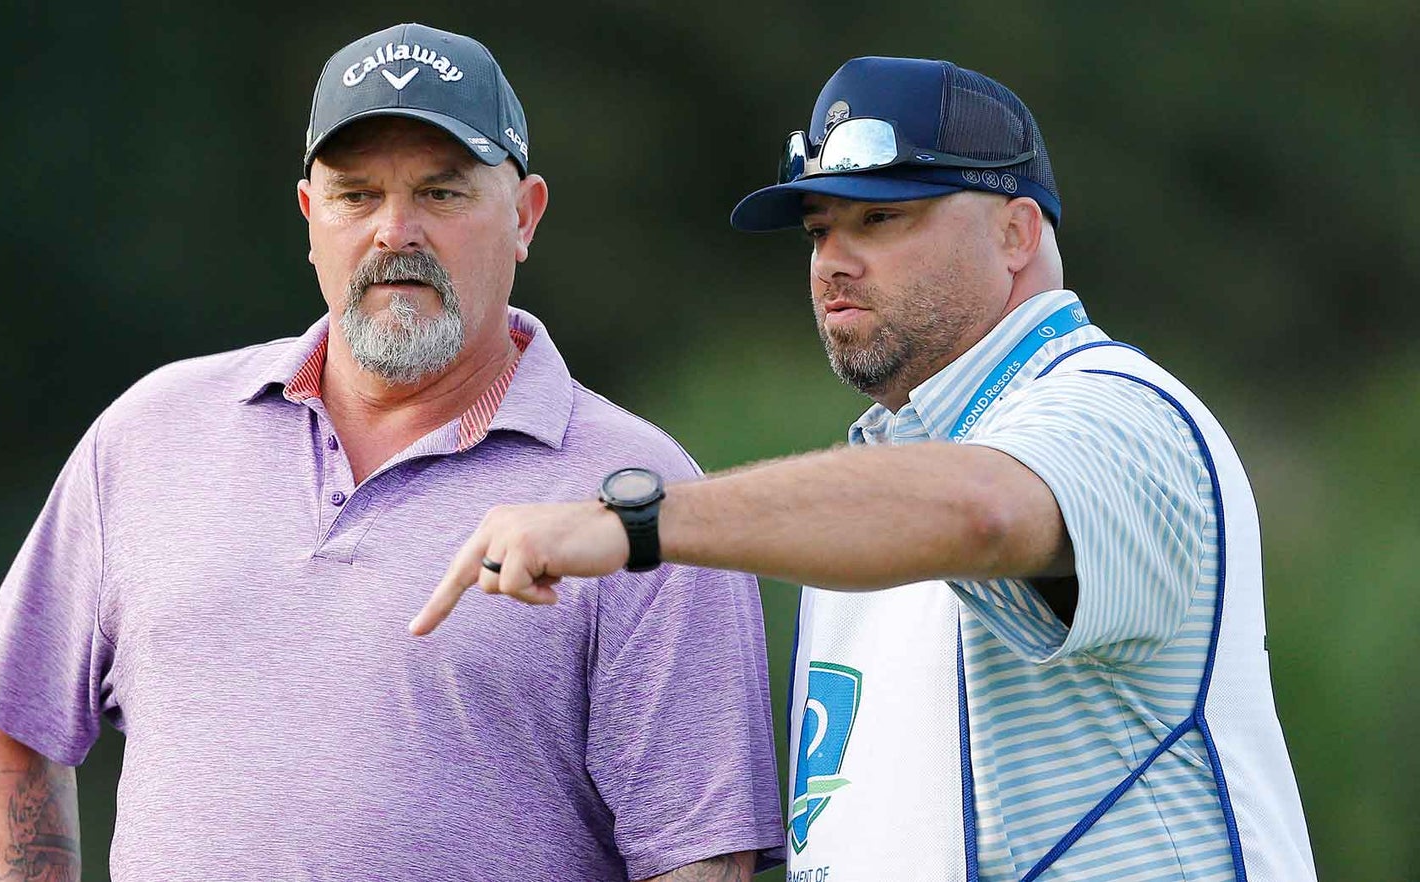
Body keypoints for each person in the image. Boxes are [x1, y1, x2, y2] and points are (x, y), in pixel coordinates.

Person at [412, 57, 1318, 881]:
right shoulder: (884, 467)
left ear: (1015, 231)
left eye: (882, 217)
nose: (832, 263)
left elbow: (984, 511)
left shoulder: (1118, 409)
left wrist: (636, 522)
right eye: (818, 228)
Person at [0, 22, 783, 882]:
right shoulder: (152, 433)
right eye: (356, 196)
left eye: (442, 194)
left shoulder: (635, 497)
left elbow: (699, 857)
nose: (396, 231)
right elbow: (3, 719)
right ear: (311, 218)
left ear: (525, 216)